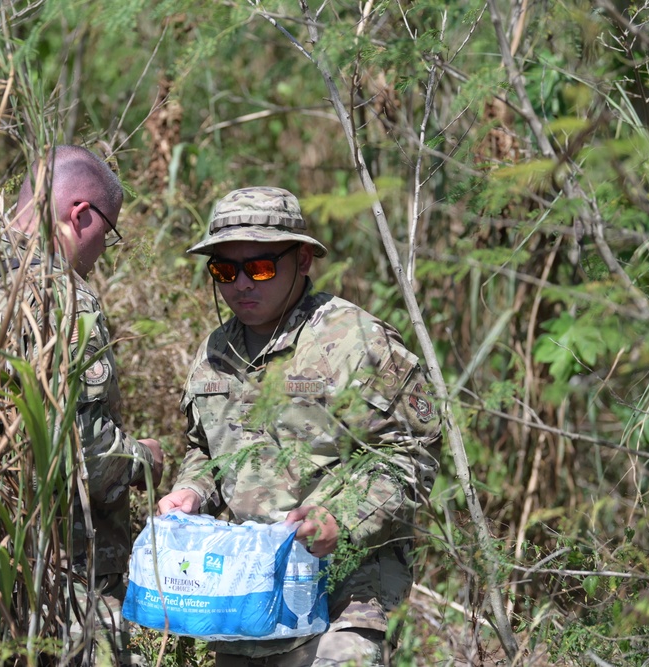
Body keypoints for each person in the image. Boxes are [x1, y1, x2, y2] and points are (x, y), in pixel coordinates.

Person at [156, 187, 442, 666]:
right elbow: (204, 451)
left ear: (303, 259)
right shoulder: (214, 353)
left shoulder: (356, 340)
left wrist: (341, 518)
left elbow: (411, 455)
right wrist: (191, 493)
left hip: (345, 592)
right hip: (246, 597)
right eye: (225, 270)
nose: (242, 284)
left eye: (260, 267)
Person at [0, 144, 163, 663]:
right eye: (110, 231)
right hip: (58, 577)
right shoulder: (62, 298)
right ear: (81, 214)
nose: (104, 248)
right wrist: (147, 458)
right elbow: (86, 457)